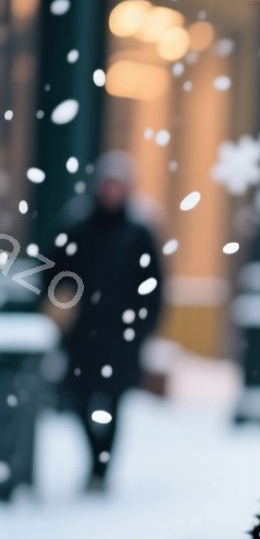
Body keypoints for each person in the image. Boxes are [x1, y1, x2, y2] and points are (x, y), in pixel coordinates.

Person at [45, 150, 165, 495]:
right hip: (84, 334)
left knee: (113, 402)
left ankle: (102, 466)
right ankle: (96, 457)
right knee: (79, 398)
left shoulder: (139, 233)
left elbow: (153, 285)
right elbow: (52, 272)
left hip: (121, 335)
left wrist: (143, 326)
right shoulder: (77, 226)